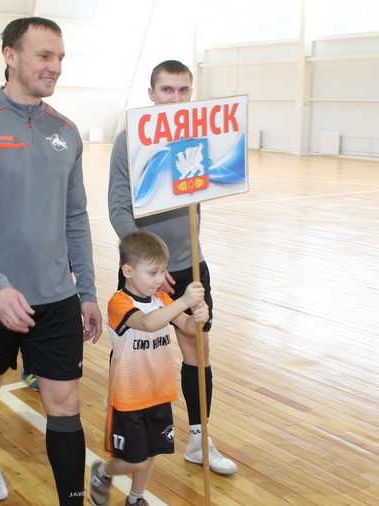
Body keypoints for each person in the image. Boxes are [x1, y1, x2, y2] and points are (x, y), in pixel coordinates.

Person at [0, 17, 104, 506]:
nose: (55, 67)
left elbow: (75, 216)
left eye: (60, 57)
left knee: (66, 403)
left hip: (56, 297)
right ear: (11, 56)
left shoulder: (65, 131)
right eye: (44, 56)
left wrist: (87, 291)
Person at [108, 59, 238, 475]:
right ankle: (125, 438)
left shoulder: (199, 138)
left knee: (198, 347)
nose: (175, 98)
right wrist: (147, 263)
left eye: (183, 90)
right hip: (146, 271)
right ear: (151, 94)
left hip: (190, 266)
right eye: (167, 90)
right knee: (134, 353)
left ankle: (199, 438)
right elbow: (117, 208)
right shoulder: (129, 140)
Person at [89, 230, 208, 506]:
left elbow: (187, 328)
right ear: (128, 271)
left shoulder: (162, 299)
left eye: (163, 271)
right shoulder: (119, 303)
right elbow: (149, 322)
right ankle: (103, 472)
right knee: (135, 459)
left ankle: (136, 499)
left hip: (159, 392)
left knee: (152, 452)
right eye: (153, 272)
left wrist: (199, 318)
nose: (159, 279)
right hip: (128, 398)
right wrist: (183, 301)